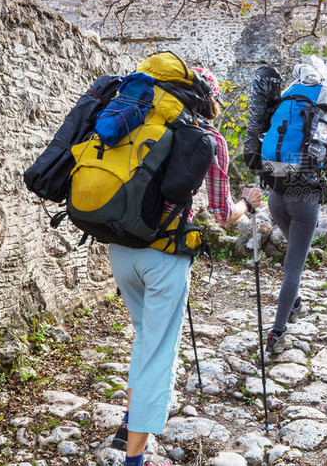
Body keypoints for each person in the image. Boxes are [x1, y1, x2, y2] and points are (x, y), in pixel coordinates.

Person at [111, 65, 260, 466]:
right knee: (160, 352)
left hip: (119, 248)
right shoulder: (208, 139)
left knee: (145, 336)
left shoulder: (132, 118)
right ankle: (133, 459)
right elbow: (222, 212)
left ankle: (129, 420)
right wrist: (249, 203)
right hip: (163, 257)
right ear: (207, 100)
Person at [261, 62, 327, 355]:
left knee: (292, 256)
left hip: (276, 195)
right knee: (293, 269)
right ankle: (277, 332)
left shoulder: (288, 101)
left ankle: (294, 304)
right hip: (304, 199)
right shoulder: (326, 115)